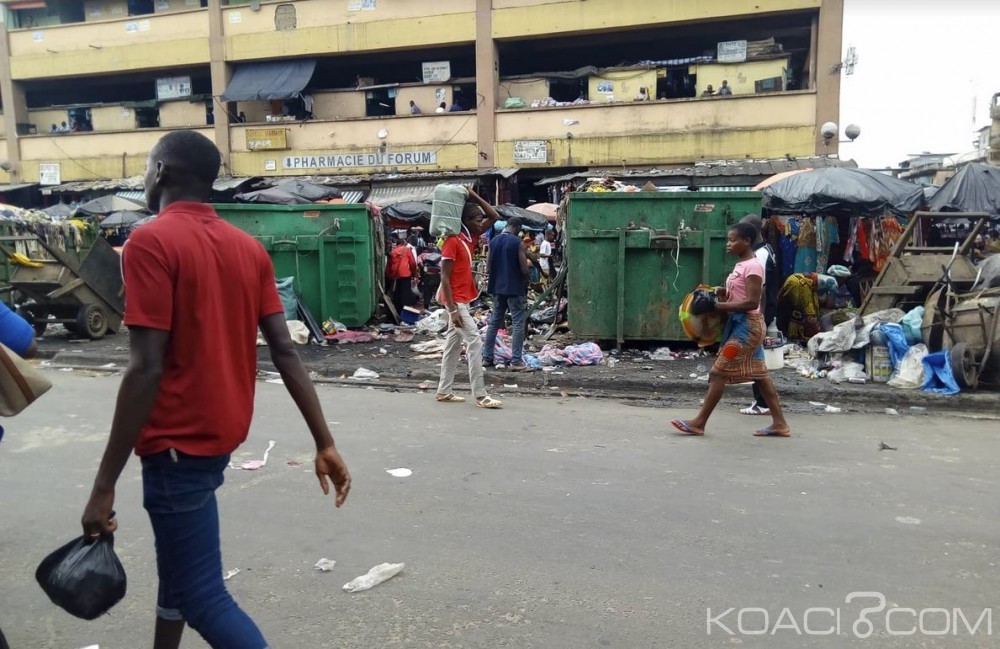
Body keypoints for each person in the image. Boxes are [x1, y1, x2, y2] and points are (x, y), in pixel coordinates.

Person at [79, 130, 351, 649]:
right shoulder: (247, 248)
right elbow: (285, 351)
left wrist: (103, 485)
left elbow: (145, 368)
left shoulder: (150, 242)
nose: (145, 175)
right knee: (180, 576)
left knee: (203, 596)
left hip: (175, 445)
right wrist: (325, 442)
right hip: (217, 438)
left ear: (160, 172)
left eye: (147, 166)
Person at [671, 222, 791, 438]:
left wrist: (718, 306)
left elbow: (752, 302)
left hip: (747, 328)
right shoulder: (742, 264)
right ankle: (780, 424)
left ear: (747, 241)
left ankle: (699, 423)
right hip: (745, 325)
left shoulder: (753, 266)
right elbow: (741, 294)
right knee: (760, 376)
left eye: (732, 240)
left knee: (717, 373)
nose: (728, 244)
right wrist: (723, 292)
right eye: (728, 240)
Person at [436, 188, 502, 408]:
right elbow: (444, 278)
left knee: (452, 346)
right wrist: (453, 310)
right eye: (476, 220)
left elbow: (494, 216)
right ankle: (481, 395)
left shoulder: (468, 238)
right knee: (474, 341)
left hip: (462, 299)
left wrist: (473, 196)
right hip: (456, 301)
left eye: (480, 220)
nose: (480, 223)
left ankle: (444, 390)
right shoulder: (452, 241)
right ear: (465, 221)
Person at [738, 215, 778, 416]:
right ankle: (764, 403)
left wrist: (758, 317)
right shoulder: (768, 249)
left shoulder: (759, 256)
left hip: (760, 311)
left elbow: (760, 289)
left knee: (756, 359)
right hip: (765, 310)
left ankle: (763, 403)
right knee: (756, 358)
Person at [483, 216, 531, 371]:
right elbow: (524, 269)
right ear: (517, 228)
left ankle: (487, 357)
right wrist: (527, 280)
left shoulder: (493, 241)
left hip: (497, 288)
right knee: (518, 323)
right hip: (514, 288)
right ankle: (516, 361)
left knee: (494, 322)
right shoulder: (518, 243)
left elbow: (488, 268)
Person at [777, 272, 837, 342]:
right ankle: (809, 338)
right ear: (841, 278)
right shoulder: (833, 283)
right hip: (801, 284)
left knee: (796, 310)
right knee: (809, 314)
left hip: (793, 278)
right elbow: (830, 304)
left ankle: (793, 334)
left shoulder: (825, 279)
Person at [388, 235, 418, 314]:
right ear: (404, 244)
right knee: (406, 295)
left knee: (397, 295)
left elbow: (389, 266)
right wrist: (413, 273)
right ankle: (405, 313)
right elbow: (412, 263)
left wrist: (390, 276)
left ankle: (397, 312)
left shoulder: (393, 251)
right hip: (405, 275)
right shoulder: (407, 249)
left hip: (396, 276)